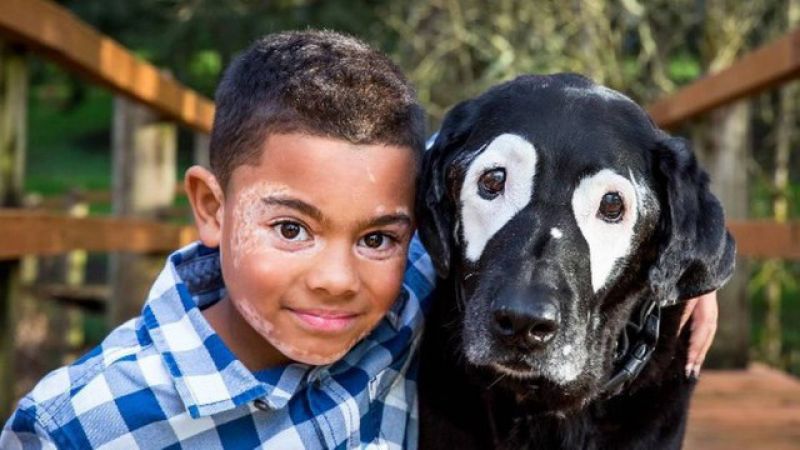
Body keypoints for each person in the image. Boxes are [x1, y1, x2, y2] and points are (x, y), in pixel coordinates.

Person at [1, 29, 718, 449]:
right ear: (211, 208)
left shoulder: (394, 302)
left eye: (378, 237)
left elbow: (471, 169)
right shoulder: (79, 423)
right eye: (290, 228)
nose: (337, 278)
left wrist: (684, 270)